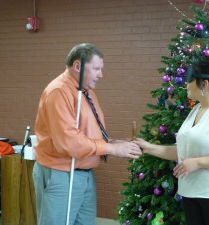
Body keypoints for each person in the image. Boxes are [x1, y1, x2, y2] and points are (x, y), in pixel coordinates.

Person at [32, 43, 142, 225]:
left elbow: (88, 134)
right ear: (78, 66)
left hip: (84, 173)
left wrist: (118, 144)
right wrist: (112, 149)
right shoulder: (59, 91)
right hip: (62, 173)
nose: (101, 75)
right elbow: (68, 143)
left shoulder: (86, 92)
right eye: (97, 69)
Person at [134, 61, 209, 225]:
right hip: (192, 193)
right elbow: (184, 152)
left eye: (189, 80)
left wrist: (198, 162)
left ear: (204, 84)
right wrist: (148, 147)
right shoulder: (196, 110)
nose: (185, 84)